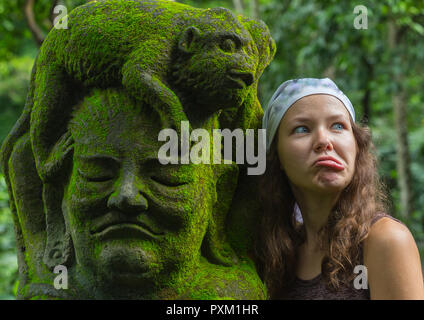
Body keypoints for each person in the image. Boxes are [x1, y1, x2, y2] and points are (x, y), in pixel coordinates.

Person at [256, 78, 424, 299]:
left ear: (357, 145)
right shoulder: (276, 251)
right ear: (277, 157)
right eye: (301, 129)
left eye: (338, 126)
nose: (324, 141)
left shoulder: (385, 241)